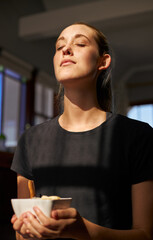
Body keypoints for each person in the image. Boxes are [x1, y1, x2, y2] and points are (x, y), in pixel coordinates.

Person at [11, 22, 153, 240]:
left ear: (102, 61)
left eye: (79, 43)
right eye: (59, 47)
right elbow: (23, 233)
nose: (66, 49)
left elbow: (145, 234)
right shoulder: (30, 140)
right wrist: (25, 231)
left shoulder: (137, 135)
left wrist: (82, 231)